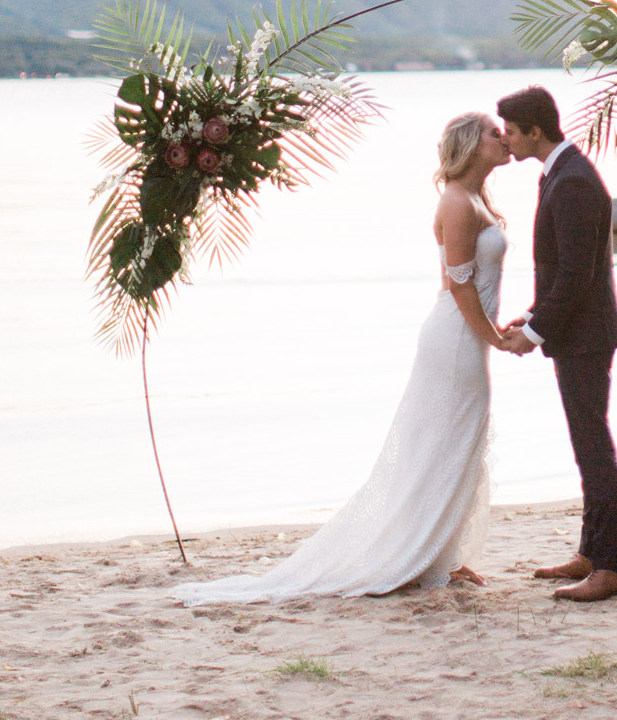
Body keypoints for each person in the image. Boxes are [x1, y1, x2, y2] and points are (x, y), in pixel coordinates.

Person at [171, 112, 513, 604]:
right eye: (492, 133)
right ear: (468, 145)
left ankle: (440, 554)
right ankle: (418, 553)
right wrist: (496, 338)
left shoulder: (476, 198)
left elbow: (476, 284)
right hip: (457, 337)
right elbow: (459, 286)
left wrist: (497, 331)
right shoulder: (458, 202)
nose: (503, 139)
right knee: (445, 442)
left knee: (454, 441)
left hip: (466, 335)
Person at [497, 85, 617, 602]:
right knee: (586, 444)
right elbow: (565, 271)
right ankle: (592, 552)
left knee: (593, 446)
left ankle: (615, 567)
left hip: (586, 336)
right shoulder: (562, 171)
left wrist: (533, 334)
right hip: (577, 331)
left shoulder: (572, 181)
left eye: (511, 131)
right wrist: (533, 314)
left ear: (535, 130)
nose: (505, 140)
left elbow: (579, 276)